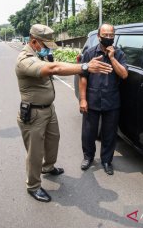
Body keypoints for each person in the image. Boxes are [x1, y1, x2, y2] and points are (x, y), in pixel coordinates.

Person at [16, 24, 113, 203]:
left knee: (53, 140)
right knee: (35, 151)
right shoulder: (25, 59)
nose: (47, 50)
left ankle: (48, 167)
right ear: (34, 42)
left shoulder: (38, 55)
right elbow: (54, 69)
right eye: (45, 46)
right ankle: (33, 185)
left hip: (48, 109)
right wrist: (84, 66)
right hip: (34, 113)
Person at [79, 23, 128, 175]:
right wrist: (82, 99)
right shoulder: (90, 53)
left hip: (111, 100)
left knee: (109, 133)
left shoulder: (119, 54)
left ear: (114, 36)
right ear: (99, 36)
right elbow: (83, 77)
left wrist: (112, 58)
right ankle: (88, 157)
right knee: (89, 132)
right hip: (92, 98)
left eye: (111, 35)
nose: (108, 37)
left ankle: (106, 160)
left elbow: (124, 74)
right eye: (105, 35)